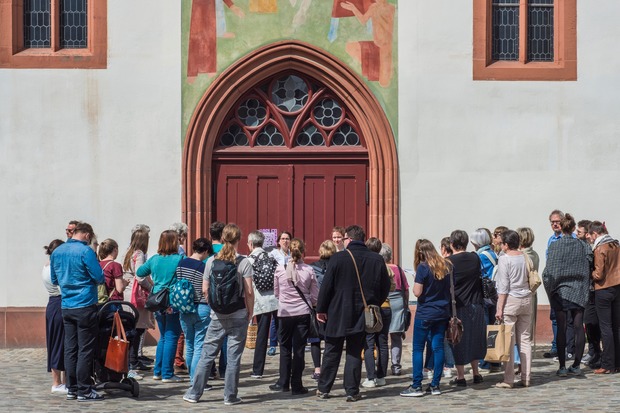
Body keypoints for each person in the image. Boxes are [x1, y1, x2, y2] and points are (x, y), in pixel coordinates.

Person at [315, 225, 391, 402]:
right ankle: (351, 390)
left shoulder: (338, 258)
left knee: (332, 351)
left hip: (337, 312)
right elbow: (385, 287)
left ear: (348, 238)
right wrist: (374, 303)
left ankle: (324, 388)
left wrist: (321, 309)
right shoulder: (376, 259)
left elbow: (326, 287)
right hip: (362, 313)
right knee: (355, 352)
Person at [183, 223, 254, 405]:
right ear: (239, 239)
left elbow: (205, 289)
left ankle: (194, 393)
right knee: (233, 358)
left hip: (217, 316)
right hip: (238, 314)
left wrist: (215, 306)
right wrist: (250, 312)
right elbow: (249, 292)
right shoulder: (243, 262)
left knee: (207, 355)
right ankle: (230, 396)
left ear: (222, 239)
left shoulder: (212, 261)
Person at [50, 222, 105, 401]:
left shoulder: (57, 251)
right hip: (85, 304)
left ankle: (72, 388)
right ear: (87, 235)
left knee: (70, 348)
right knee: (85, 349)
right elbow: (99, 277)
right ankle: (84, 389)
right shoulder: (86, 251)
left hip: (66, 305)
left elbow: (54, 279)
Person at [542, 213, 592, 376]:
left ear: (562, 227)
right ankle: (576, 364)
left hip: (560, 292)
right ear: (572, 228)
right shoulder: (583, 245)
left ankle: (562, 366)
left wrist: (550, 291)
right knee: (578, 328)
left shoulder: (555, 246)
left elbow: (548, 272)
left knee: (562, 328)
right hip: (578, 290)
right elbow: (590, 265)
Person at [400, 239, 451, 397]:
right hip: (442, 312)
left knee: (418, 349)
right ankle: (435, 385)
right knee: (438, 347)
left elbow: (417, 292)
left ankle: (416, 385)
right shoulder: (446, 266)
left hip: (426, 313)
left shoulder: (423, 267)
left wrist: (416, 279)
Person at [269, 238, 319, 395]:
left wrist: (286, 298)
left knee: (284, 348)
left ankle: (283, 382)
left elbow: (276, 292)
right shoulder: (308, 270)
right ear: (303, 250)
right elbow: (315, 296)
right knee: (299, 349)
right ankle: (297, 384)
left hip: (285, 313)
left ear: (290, 250)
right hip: (302, 313)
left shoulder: (279, 269)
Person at [136, 230, 184, 383]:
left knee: (163, 336)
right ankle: (168, 373)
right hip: (172, 300)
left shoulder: (155, 259)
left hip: (157, 299)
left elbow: (140, 271)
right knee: (171, 336)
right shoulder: (179, 259)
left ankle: (158, 371)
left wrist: (154, 282)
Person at [446, 230, 486, 387]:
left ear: (451, 244)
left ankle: (461, 376)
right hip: (476, 303)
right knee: (475, 338)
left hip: (458, 305)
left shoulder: (448, 261)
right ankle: (476, 373)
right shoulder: (474, 257)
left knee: (458, 340)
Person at [495, 230, 533, 388]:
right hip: (527, 298)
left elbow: (503, 286)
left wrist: (499, 308)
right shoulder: (525, 256)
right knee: (525, 340)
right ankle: (526, 377)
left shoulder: (504, 259)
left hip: (511, 300)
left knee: (508, 341)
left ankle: (508, 379)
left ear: (506, 244)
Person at [176, 238, 213, 383]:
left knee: (190, 344)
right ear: (204, 251)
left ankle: (192, 379)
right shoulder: (203, 267)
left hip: (184, 308)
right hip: (201, 307)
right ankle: (196, 380)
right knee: (199, 345)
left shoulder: (181, 264)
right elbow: (206, 289)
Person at [362, 237, 393, 388]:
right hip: (385, 306)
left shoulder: (365, 263)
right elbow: (390, 287)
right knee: (382, 342)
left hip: (370, 308)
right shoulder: (385, 266)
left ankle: (370, 376)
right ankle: (381, 376)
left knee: (369, 341)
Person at [122, 228, 154, 376]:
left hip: (128, 294)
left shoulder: (128, 252)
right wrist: (151, 287)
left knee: (132, 328)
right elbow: (140, 276)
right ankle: (133, 362)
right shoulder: (139, 254)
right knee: (137, 329)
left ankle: (132, 360)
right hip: (137, 295)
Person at [589, 221, 620, 374]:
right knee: (616, 326)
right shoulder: (616, 245)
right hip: (617, 287)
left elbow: (599, 273)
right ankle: (617, 362)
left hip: (603, 289)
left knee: (605, 327)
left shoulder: (600, 248)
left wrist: (591, 274)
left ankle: (607, 364)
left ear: (595, 233)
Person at [247, 230, 279, 379]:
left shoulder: (249, 260)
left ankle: (257, 370)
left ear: (251, 244)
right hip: (275, 300)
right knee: (283, 334)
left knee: (261, 335)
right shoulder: (271, 256)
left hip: (260, 302)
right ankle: (288, 366)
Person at [470, 228, 500, 372]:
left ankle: (485, 361)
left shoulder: (480, 256)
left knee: (484, 328)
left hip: (484, 295)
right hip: (493, 295)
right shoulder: (492, 253)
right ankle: (494, 361)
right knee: (493, 328)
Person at [308, 240, 337, 380]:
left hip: (316, 306)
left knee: (315, 339)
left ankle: (317, 369)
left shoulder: (312, 267)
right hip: (332, 307)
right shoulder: (337, 266)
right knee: (330, 340)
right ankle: (328, 368)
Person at [576, 219, 601, 368]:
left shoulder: (591, 249)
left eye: (579, 232)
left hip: (593, 291)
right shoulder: (584, 247)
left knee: (594, 322)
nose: (576, 234)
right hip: (588, 291)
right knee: (590, 323)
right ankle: (594, 351)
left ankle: (596, 352)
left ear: (587, 234)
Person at [43, 239, 66, 394]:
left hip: (53, 303)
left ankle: (62, 381)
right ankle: (57, 383)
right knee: (59, 342)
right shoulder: (55, 268)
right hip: (59, 303)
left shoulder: (47, 266)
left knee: (57, 342)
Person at [383, 243, 409, 376]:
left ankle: (381, 365)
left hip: (384, 300)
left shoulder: (380, 268)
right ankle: (396, 366)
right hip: (398, 301)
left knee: (381, 336)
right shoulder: (398, 269)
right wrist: (406, 304)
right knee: (396, 336)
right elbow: (405, 289)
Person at [516, 227, 540, 353]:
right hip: (532, 294)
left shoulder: (523, 256)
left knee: (520, 330)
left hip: (521, 294)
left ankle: (520, 361)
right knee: (527, 330)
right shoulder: (534, 254)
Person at [170, 222, 189, 374]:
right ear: (181, 235)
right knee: (179, 331)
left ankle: (172, 360)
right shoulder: (180, 252)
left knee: (168, 333)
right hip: (178, 293)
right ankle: (177, 359)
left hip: (167, 293)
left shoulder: (165, 250)